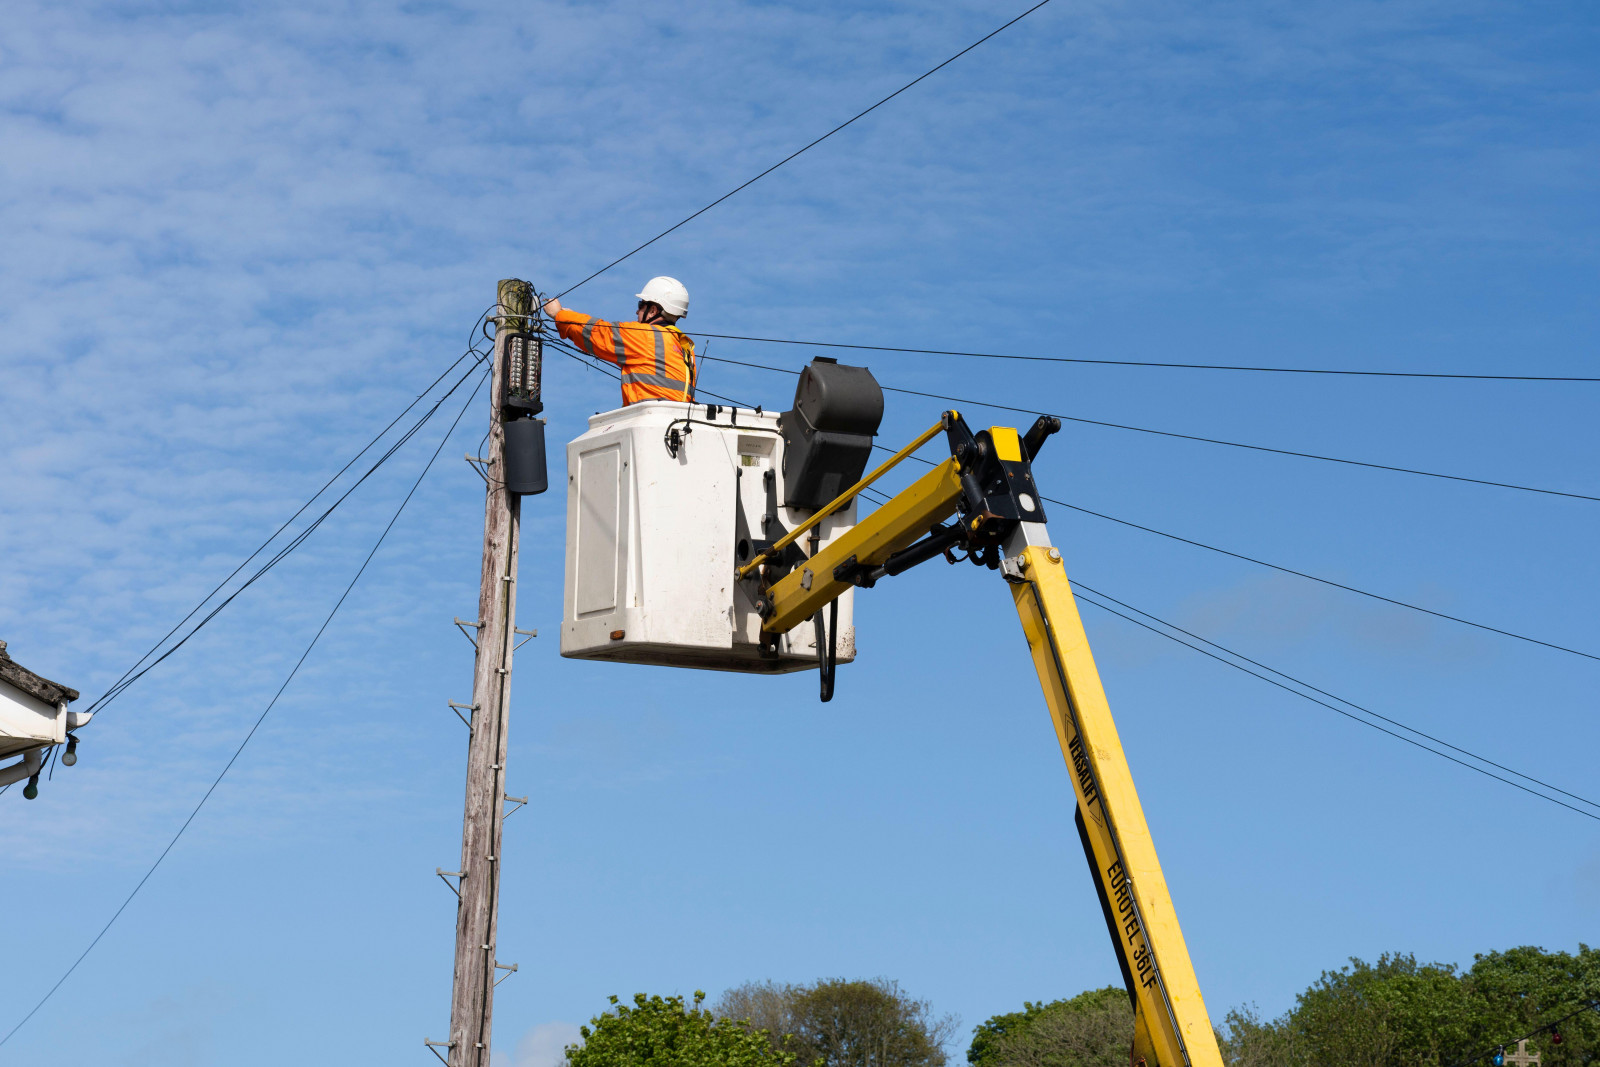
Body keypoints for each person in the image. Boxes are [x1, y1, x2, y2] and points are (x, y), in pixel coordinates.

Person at [542, 276, 697, 406]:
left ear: (652, 311)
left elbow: (600, 334)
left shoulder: (646, 337)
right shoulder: (684, 348)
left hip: (646, 424)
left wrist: (559, 315)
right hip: (672, 428)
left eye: (641, 305)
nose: (637, 311)